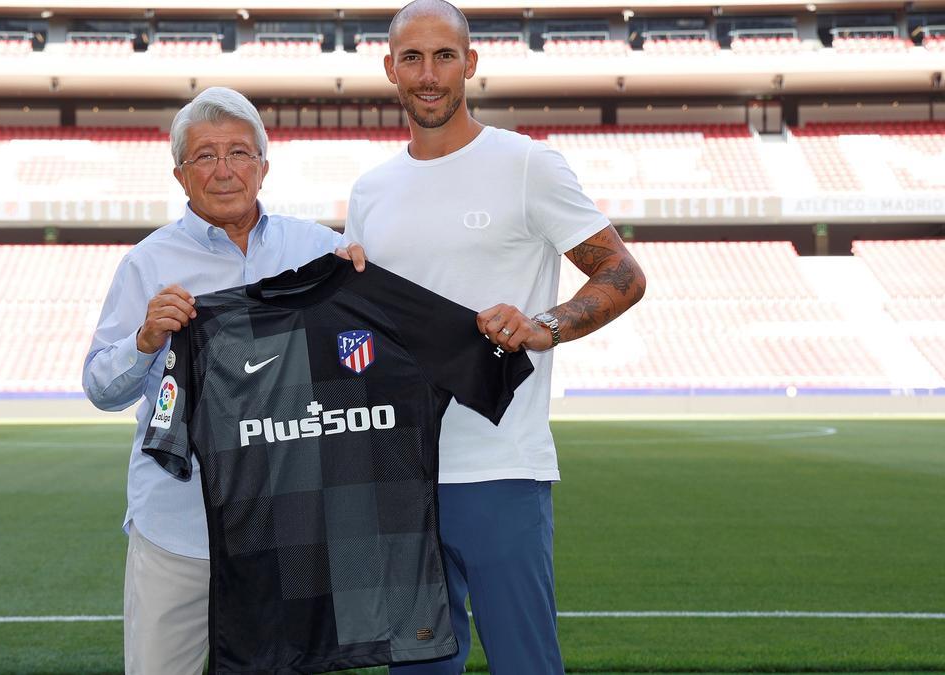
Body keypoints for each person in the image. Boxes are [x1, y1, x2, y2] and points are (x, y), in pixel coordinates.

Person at [345, 1, 647, 672]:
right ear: (390, 68)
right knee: (418, 667)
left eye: (444, 56)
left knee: (525, 663)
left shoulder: (525, 165)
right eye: (413, 58)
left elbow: (623, 273)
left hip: (500, 468)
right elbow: (361, 334)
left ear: (470, 64)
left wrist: (546, 326)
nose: (429, 74)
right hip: (402, 475)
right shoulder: (370, 191)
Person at [82, 86, 364, 675]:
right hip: (178, 526)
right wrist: (144, 341)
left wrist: (360, 305)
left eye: (239, 153)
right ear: (180, 175)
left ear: (263, 165)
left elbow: (361, 357)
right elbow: (101, 387)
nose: (224, 170)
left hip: (290, 526)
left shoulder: (320, 251)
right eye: (205, 156)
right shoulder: (148, 262)